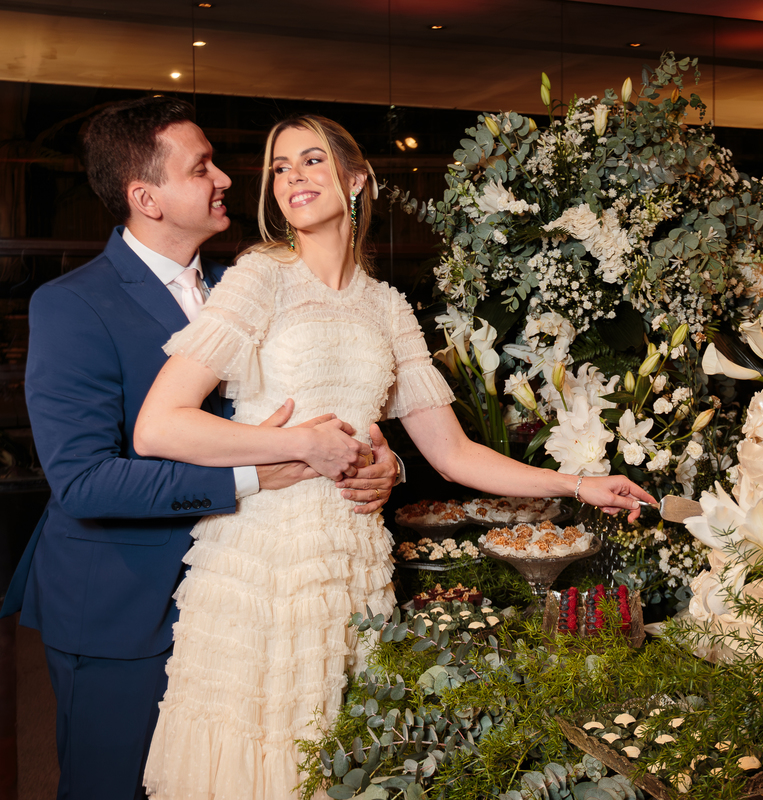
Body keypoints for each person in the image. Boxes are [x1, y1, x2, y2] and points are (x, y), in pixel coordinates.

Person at [133, 114, 654, 799]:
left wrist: (581, 484)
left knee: (347, 754)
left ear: (355, 180)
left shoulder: (387, 307)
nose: (293, 177)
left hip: (353, 553)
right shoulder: (260, 278)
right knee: (266, 755)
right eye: (281, 167)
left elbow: (454, 452)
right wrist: (298, 443)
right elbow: (158, 428)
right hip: (264, 555)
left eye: (311, 160)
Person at [0, 96, 401, 800]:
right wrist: (253, 474)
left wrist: (383, 460)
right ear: (146, 197)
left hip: (237, 594)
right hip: (121, 603)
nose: (225, 179)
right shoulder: (72, 303)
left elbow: (307, 401)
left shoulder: (244, 283)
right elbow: (84, 482)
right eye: (202, 167)